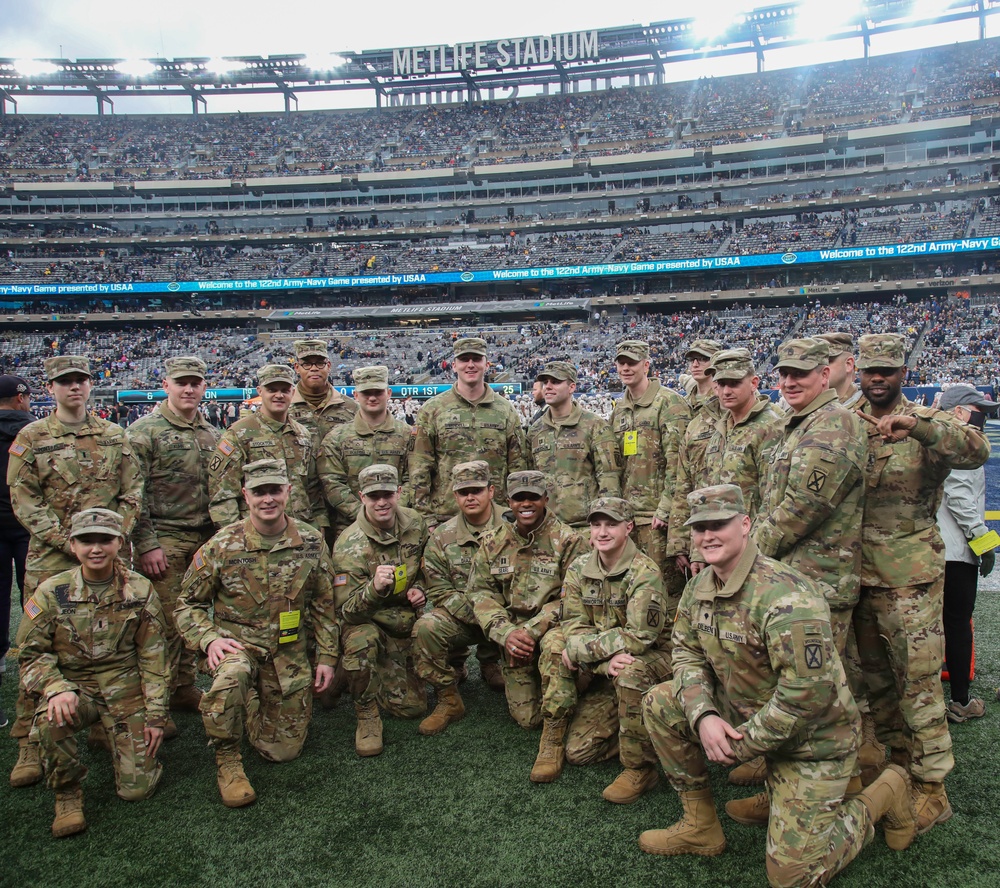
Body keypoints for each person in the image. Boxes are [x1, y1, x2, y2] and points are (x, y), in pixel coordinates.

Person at [638, 485, 917, 887]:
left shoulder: (786, 594)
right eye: (699, 528)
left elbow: (807, 695)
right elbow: (686, 654)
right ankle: (700, 826)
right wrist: (704, 716)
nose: (707, 536)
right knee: (660, 702)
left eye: (719, 524)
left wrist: (740, 746)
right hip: (749, 716)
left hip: (814, 743)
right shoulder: (699, 589)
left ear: (746, 524)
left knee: (792, 877)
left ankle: (884, 792)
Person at [855, 334, 990, 834]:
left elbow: (976, 449)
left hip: (910, 581)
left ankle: (933, 790)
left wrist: (917, 427)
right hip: (859, 580)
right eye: (870, 370)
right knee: (877, 686)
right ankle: (898, 772)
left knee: (920, 688)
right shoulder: (849, 421)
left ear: (902, 374)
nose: (877, 378)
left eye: (887, 370)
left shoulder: (927, 423)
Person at [733, 337, 866, 797]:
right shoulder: (799, 422)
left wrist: (746, 555)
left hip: (820, 581)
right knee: (792, 685)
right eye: (784, 374)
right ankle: (782, 783)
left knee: (817, 695)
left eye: (801, 375)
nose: (789, 382)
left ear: (824, 375)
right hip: (792, 578)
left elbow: (802, 507)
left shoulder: (834, 424)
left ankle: (834, 792)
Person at [7, 355, 142, 789]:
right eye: (65, 382)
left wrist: (109, 539)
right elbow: (23, 497)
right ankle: (30, 736)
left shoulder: (113, 434)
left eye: (81, 380)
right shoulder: (32, 436)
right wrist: (68, 541)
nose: (75, 388)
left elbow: (132, 490)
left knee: (115, 634)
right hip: (53, 558)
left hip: (110, 554)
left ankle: (106, 719)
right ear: (50, 389)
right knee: (40, 640)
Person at [175, 459, 339, 807]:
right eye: (259, 492)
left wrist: (326, 658)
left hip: (289, 655)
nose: (268, 499)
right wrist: (209, 639)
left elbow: (325, 605)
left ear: (288, 492)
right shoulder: (222, 545)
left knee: (281, 751)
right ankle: (228, 759)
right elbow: (185, 605)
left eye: (275, 490)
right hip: (239, 647)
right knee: (232, 676)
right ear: (245, 495)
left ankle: (252, 703)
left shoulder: (310, 541)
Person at [18, 508, 169, 838]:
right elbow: (31, 655)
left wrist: (156, 716)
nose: (96, 548)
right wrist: (56, 687)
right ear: (73, 545)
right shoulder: (51, 592)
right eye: (87, 541)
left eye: (105, 540)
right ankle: (67, 792)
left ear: (119, 542)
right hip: (75, 687)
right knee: (50, 719)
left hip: (124, 688)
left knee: (136, 791)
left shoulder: (139, 591)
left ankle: (120, 740)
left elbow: (154, 657)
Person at [535, 496, 671, 801]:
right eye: (596, 524)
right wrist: (598, 664)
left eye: (611, 524)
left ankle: (640, 767)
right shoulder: (580, 567)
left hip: (652, 659)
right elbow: (572, 624)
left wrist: (586, 653)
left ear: (629, 528)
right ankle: (553, 734)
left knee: (630, 670)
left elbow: (639, 638)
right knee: (579, 752)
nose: (602, 531)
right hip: (606, 663)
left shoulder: (644, 573)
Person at [126, 356, 220, 720]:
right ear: (166, 385)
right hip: (164, 538)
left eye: (195, 382)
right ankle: (156, 706)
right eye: (181, 382)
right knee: (162, 625)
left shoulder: (211, 434)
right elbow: (134, 493)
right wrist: (146, 542)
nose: (189, 388)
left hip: (205, 539)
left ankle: (183, 688)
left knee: (197, 618)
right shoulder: (143, 432)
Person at [469, 470, 586, 733]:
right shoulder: (492, 541)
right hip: (512, 637)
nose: (525, 504)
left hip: (551, 630)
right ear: (508, 501)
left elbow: (573, 599)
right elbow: (480, 593)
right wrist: (506, 633)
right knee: (528, 720)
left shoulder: (569, 541)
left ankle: (581, 676)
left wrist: (531, 630)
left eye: (532, 497)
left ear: (545, 498)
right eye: (518, 498)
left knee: (556, 650)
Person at [333, 464, 428, 757]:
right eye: (374, 496)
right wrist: (373, 589)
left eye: (387, 494)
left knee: (414, 708)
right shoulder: (349, 544)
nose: (382, 502)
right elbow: (346, 611)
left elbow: (429, 566)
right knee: (361, 639)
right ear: (362, 497)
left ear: (399, 492)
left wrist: (421, 587)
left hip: (404, 624)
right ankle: (366, 711)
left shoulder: (415, 522)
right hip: (367, 624)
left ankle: (371, 669)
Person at [412, 461, 507, 735]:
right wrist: (483, 615)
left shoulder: (514, 526)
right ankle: (449, 699)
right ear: (455, 496)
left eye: (476, 490)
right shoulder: (442, 536)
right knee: (427, 627)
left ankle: (498, 667)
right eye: (463, 492)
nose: (470, 497)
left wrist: (500, 619)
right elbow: (439, 591)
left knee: (527, 715)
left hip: (511, 620)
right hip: (466, 617)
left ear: (491, 491)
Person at [409, 337, 526, 527]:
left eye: (476, 359)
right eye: (464, 360)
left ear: (486, 364)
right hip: (446, 517)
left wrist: (515, 513)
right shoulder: (433, 409)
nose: (470, 365)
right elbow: (419, 466)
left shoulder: (505, 410)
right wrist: (425, 517)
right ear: (453, 365)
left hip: (497, 518)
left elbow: (517, 465)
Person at [610, 339, 690, 608]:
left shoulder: (669, 403)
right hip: (628, 517)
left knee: (664, 594)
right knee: (632, 593)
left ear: (646, 365)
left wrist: (666, 508)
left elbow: (680, 463)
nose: (625, 368)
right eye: (621, 363)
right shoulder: (619, 409)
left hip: (657, 519)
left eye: (632, 363)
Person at [935, 384, 998, 723]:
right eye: (979, 411)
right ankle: (959, 701)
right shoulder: (961, 443)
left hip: (930, 548)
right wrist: (983, 543)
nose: (983, 418)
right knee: (957, 624)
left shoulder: (938, 437)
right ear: (958, 411)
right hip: (955, 550)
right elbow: (959, 497)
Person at [208, 363, 327, 531]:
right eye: (272, 390)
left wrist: (319, 526)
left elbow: (313, 488)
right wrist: (235, 536)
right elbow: (223, 494)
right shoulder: (239, 434)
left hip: (300, 531)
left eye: (285, 390)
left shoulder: (303, 435)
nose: (279, 395)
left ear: (293, 393)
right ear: (260, 391)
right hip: (257, 533)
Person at [317, 364, 411, 543]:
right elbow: (332, 482)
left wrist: (392, 510)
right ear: (356, 395)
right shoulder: (337, 438)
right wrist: (364, 513)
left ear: (389, 393)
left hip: (399, 526)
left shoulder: (407, 435)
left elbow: (413, 478)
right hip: (351, 527)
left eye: (378, 392)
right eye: (367, 393)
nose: (373, 397)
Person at [527, 360, 620, 528]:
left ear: (572, 387)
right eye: (545, 382)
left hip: (584, 527)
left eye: (555, 382)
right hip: (544, 528)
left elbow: (609, 478)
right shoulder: (535, 431)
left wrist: (605, 525)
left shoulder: (594, 426)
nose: (548, 386)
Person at [0, 374, 33, 729]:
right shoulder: (35, 432)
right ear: (21, 398)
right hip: (30, 529)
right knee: (36, 602)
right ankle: (35, 663)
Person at [287, 338, 357, 445]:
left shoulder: (351, 408)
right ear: (297, 367)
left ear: (328, 366)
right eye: (307, 364)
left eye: (320, 363)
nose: (314, 368)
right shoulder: (283, 407)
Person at [816, 332, 867, 409]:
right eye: (814, 363)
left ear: (848, 364)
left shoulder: (870, 408)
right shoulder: (802, 406)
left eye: (827, 361)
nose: (818, 368)